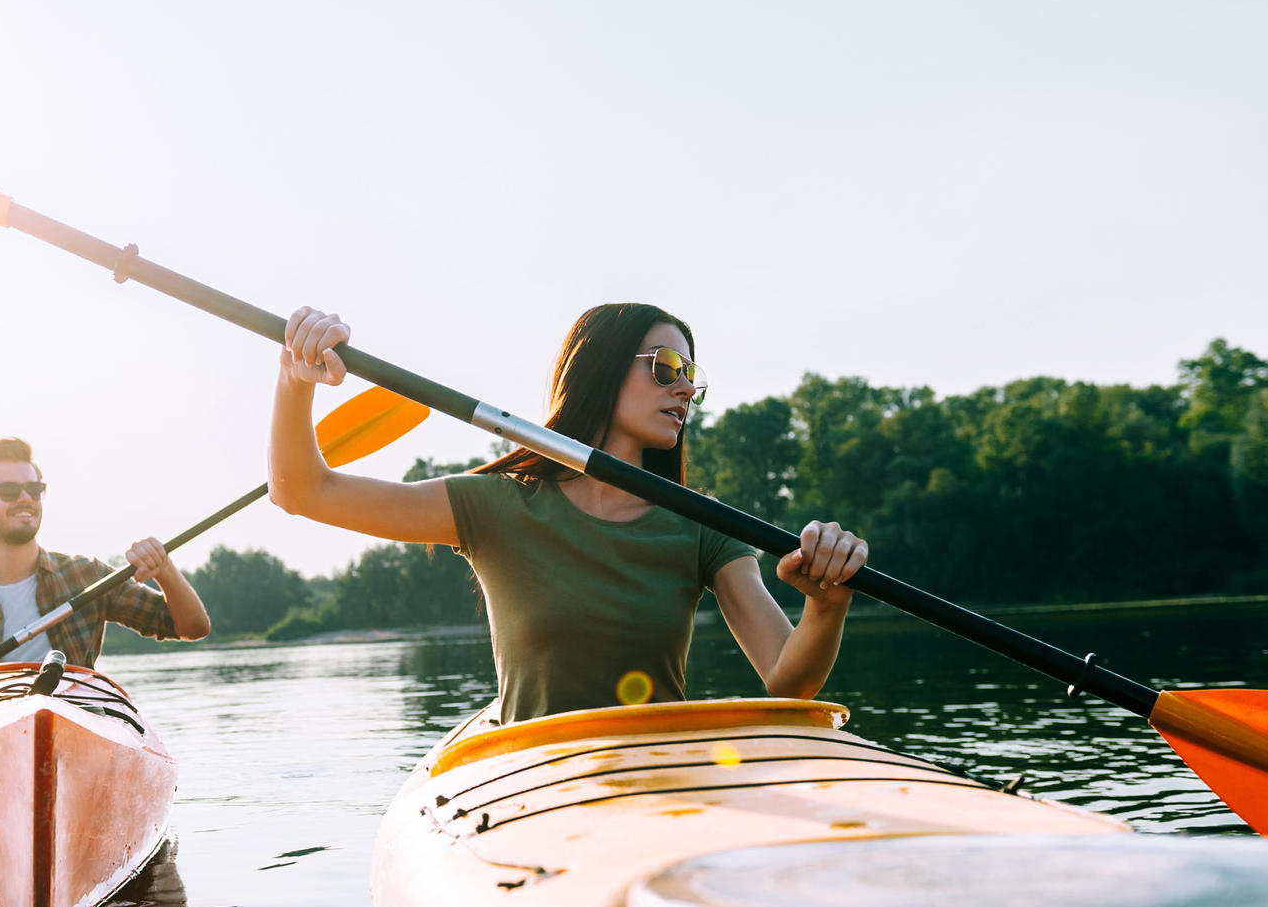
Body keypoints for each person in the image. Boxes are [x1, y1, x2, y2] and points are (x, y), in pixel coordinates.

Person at [268, 303, 869, 723]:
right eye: (668, 367)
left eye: (692, 378)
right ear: (601, 369)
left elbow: (788, 679)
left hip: (662, 774)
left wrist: (826, 603)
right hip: (536, 777)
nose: (685, 389)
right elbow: (302, 491)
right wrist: (296, 381)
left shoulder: (703, 524)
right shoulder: (494, 504)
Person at [0, 436, 211, 738]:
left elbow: (191, 627)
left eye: (33, 489)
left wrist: (164, 569)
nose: (25, 498)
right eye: (9, 491)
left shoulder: (86, 576)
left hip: (80, 728)